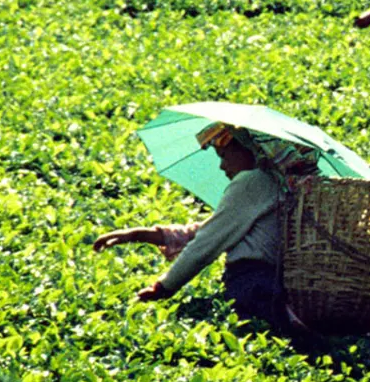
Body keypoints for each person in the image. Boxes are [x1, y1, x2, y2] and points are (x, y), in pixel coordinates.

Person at [94, 124, 292, 328]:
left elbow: (206, 243)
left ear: (246, 150)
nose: (222, 167)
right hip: (270, 287)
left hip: (252, 286)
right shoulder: (275, 182)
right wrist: (140, 235)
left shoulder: (252, 181)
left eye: (224, 155)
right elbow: (210, 230)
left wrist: (164, 287)